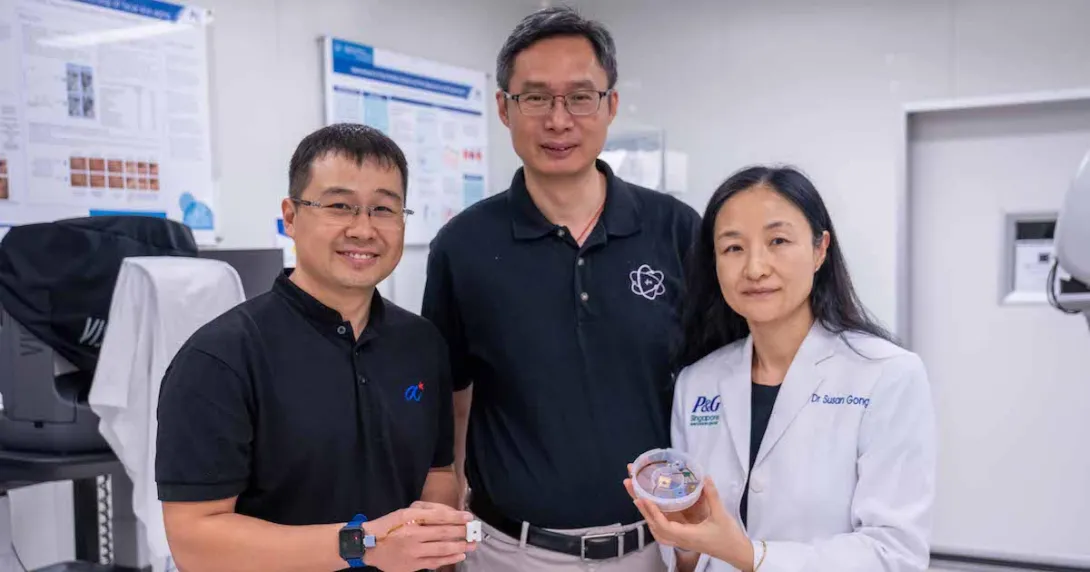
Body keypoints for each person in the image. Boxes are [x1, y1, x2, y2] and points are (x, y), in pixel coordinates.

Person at [421, 6, 701, 572]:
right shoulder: (463, 246)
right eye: (535, 97)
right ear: (503, 107)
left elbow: (712, 387)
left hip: (651, 547)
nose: (558, 120)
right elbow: (449, 402)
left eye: (580, 97)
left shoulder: (676, 230)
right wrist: (445, 536)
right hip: (509, 552)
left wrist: (695, 546)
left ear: (610, 105)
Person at [155, 124, 476, 572]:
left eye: (384, 208)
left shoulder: (422, 344)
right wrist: (362, 545)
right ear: (290, 216)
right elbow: (195, 539)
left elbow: (437, 474)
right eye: (339, 205)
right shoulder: (222, 357)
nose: (363, 229)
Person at [623, 165, 937, 572]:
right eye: (733, 248)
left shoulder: (888, 374)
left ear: (820, 249)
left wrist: (749, 555)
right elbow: (689, 559)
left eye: (778, 241)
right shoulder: (697, 381)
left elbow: (893, 554)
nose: (755, 268)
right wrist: (685, 541)